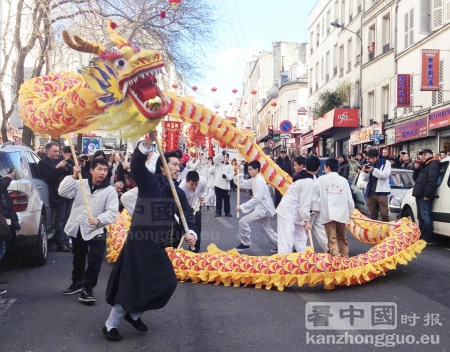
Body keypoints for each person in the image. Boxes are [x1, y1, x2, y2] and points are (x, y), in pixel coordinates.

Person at [103, 132, 197, 342]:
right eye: (173, 164)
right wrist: (147, 144)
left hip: (157, 245)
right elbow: (136, 165)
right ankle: (110, 326)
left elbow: (188, 217)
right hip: (138, 242)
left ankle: (133, 314)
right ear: (163, 166)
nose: (177, 167)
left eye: (179, 164)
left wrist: (191, 233)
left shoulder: (179, 193)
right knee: (131, 285)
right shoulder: (150, 183)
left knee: (167, 282)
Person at [59, 158, 118, 303]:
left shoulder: (109, 190)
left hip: (96, 229)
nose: (102, 173)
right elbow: (62, 192)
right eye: (99, 169)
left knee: (95, 259)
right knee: (78, 256)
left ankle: (88, 288)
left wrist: (99, 220)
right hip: (79, 225)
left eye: (105, 170)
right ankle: (77, 282)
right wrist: (73, 176)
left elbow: (112, 212)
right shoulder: (80, 183)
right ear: (91, 170)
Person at [275, 156, 320, 255]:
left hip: (294, 211)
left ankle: (304, 260)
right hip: (287, 211)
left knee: (301, 237)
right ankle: (284, 265)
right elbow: (304, 204)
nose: (294, 167)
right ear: (318, 168)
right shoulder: (307, 181)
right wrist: (307, 221)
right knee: (286, 240)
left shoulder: (304, 177)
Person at [234, 160, 278, 251]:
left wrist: (242, 207)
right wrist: (239, 172)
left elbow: (257, 198)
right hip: (262, 208)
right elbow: (243, 183)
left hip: (263, 209)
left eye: (250, 169)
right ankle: (281, 245)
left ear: (256, 169)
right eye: (248, 169)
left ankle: (245, 243)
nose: (249, 171)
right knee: (265, 229)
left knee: (243, 221)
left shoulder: (259, 180)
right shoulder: (255, 179)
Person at [315, 158, 354, 257]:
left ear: (328, 167)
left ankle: (336, 261)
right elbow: (350, 200)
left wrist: (316, 208)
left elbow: (314, 196)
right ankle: (345, 259)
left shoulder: (321, 180)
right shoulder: (344, 181)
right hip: (341, 213)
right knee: (342, 237)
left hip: (328, 213)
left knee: (332, 239)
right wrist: (349, 213)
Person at [38, 142, 73, 252]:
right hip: (56, 194)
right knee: (60, 219)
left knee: (67, 217)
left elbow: (68, 174)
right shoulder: (43, 163)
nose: (57, 153)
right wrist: (57, 167)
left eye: (58, 151)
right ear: (47, 151)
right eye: (55, 151)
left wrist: (68, 167)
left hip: (66, 192)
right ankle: (61, 243)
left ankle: (67, 240)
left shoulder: (59, 160)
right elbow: (48, 177)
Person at [412, 149, 440, 244]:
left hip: (424, 195)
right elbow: (416, 179)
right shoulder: (424, 165)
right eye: (422, 155)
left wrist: (427, 195)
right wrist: (416, 168)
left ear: (431, 155)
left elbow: (432, 180)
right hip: (419, 193)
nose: (423, 156)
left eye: (425, 154)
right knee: (420, 217)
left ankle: (428, 238)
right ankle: (422, 236)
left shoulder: (433, 164)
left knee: (425, 216)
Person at [179, 171, 207, 253]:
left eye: (196, 184)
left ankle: (195, 249)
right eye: (192, 184)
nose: (194, 186)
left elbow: (204, 189)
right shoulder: (181, 188)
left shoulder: (202, 180)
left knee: (197, 227)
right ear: (186, 181)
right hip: (185, 209)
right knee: (185, 228)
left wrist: (202, 196)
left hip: (196, 206)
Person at [360, 148, 391, 222]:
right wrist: (365, 172)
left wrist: (373, 170)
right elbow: (364, 179)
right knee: (372, 215)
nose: (371, 160)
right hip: (370, 192)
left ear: (377, 156)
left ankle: (385, 231)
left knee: (384, 214)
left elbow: (385, 175)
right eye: (370, 158)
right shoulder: (368, 164)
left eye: (373, 158)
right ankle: (374, 232)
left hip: (381, 192)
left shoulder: (386, 163)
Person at [213, 151, 234, 217]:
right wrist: (221, 153)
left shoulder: (230, 167)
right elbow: (215, 159)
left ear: (228, 158)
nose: (225, 158)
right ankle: (218, 212)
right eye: (224, 157)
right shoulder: (218, 164)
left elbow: (231, 176)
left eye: (227, 157)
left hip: (226, 186)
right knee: (218, 199)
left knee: (227, 200)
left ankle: (227, 212)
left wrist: (226, 177)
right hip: (218, 185)